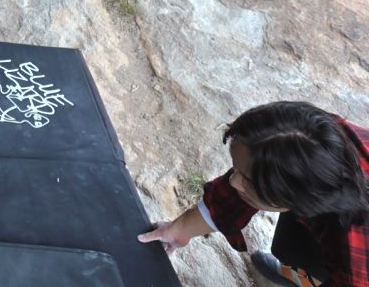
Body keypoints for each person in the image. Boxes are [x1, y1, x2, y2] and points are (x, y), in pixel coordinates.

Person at [138, 102, 369, 286]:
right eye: (237, 170)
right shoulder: (314, 138)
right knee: (289, 247)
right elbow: (248, 179)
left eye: (246, 180)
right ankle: (302, 273)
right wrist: (180, 229)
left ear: (297, 199)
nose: (233, 181)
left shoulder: (357, 268)